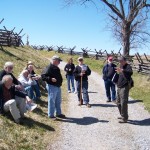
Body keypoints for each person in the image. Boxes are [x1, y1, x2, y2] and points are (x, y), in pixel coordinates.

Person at [41, 55, 66, 120]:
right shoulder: (49, 67)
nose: (59, 62)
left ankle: (58, 113)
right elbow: (43, 76)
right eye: (58, 61)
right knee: (51, 100)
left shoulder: (56, 67)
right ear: (54, 61)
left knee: (58, 100)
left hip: (57, 86)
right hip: (52, 86)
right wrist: (50, 79)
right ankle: (51, 115)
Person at [116, 56, 133, 123]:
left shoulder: (128, 66)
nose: (120, 62)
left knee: (123, 103)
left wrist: (122, 70)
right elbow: (120, 75)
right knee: (118, 102)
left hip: (124, 87)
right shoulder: (120, 65)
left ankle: (124, 118)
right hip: (119, 86)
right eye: (119, 61)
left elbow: (130, 73)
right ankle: (122, 114)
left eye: (121, 61)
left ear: (124, 60)